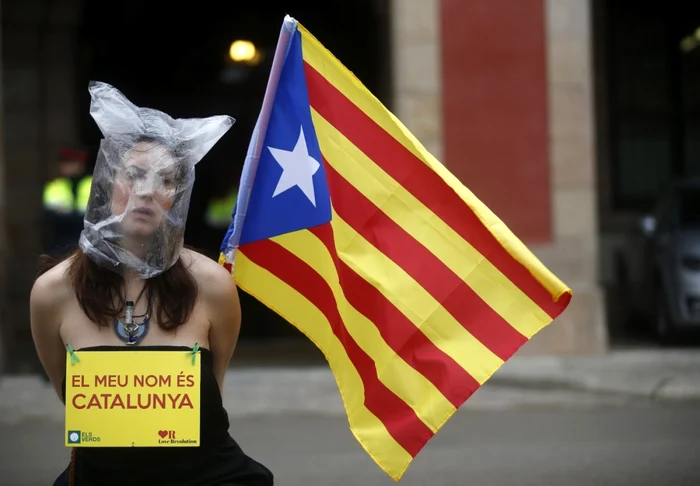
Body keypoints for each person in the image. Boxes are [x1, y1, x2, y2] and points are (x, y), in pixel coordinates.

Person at [29, 81, 274, 486]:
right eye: (135, 175)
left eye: (164, 180)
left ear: (176, 196)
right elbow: (66, 392)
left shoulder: (211, 284)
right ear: (109, 182)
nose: (146, 191)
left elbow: (214, 388)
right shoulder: (54, 291)